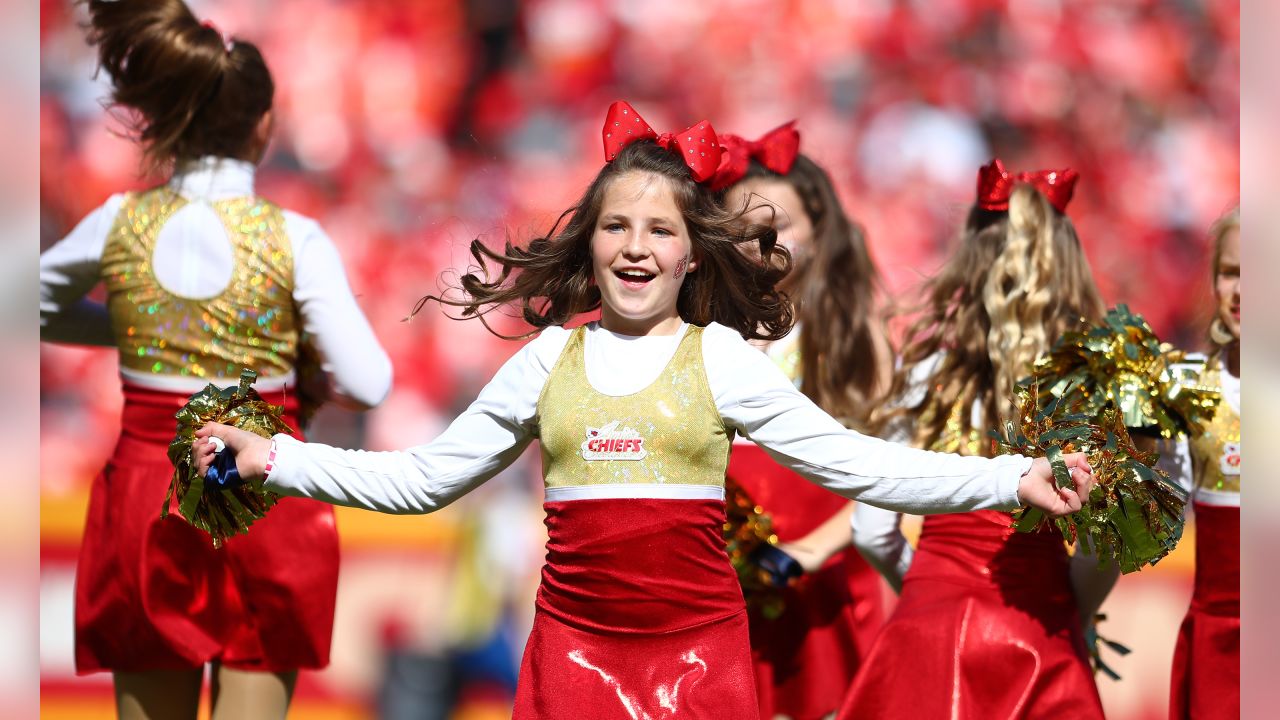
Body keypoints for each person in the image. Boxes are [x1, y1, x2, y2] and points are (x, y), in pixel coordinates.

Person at [194, 104, 1096, 720]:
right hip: (572, 662)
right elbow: (424, 478)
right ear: (590, 238)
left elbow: (860, 462)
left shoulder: (721, 359)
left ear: (693, 255)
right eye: (617, 226)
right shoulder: (550, 358)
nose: (636, 248)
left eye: (661, 231)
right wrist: (275, 458)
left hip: (703, 666)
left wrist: (1012, 475)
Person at [39, 1, 392, 717]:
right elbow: (368, 382)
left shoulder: (118, 219)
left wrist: (138, 334)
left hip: (145, 496)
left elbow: (24, 303)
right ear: (263, 125)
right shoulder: (297, 238)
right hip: (261, 490)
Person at [840, 160, 1119, 719]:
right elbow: (1102, 546)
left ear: (969, 253)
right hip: (1035, 633)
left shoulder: (925, 370)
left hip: (926, 633)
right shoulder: (1094, 387)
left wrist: (929, 588)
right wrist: (1072, 613)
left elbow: (871, 531)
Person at [714, 123, 893, 720]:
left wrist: (807, 552)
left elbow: (891, 467)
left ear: (819, 228)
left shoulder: (848, 335)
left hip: (822, 588)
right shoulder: (704, 339)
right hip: (722, 589)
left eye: (779, 227)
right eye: (741, 233)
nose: (761, 244)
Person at [1163, 207, 1240, 719]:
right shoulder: (1185, 386)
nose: (1243, 291)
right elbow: (1159, 515)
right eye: (1232, 272)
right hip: (1221, 641)